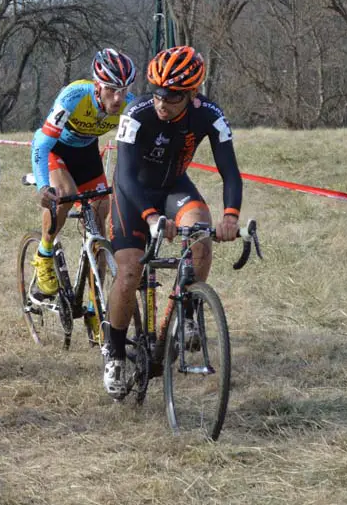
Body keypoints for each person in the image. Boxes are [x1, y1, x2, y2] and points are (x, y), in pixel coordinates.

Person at [102, 46, 243, 400]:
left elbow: (229, 170)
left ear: (193, 93)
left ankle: (188, 308)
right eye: (157, 91)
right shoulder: (137, 113)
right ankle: (116, 353)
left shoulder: (210, 114)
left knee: (200, 232)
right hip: (132, 193)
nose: (162, 101)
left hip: (173, 187)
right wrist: (150, 216)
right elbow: (127, 174)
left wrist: (231, 216)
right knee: (131, 271)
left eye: (173, 95)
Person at [28, 49, 136, 336]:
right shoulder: (74, 97)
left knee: (99, 231)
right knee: (65, 192)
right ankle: (44, 253)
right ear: (97, 86)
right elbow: (41, 144)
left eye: (124, 91)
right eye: (112, 90)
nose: (118, 98)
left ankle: (93, 308)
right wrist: (42, 186)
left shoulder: (130, 106)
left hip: (86, 153)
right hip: (55, 151)